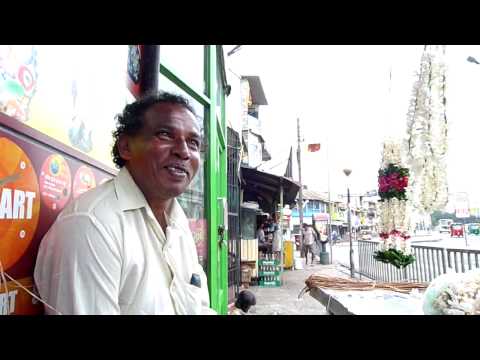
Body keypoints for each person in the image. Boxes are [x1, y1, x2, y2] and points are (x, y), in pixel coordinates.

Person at [34, 91, 215, 315]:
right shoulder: (92, 225)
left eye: (193, 142)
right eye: (165, 135)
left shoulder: (178, 225)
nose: (184, 151)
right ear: (126, 147)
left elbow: (199, 309)